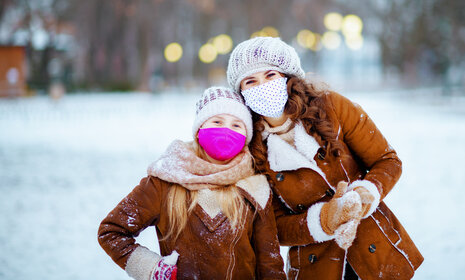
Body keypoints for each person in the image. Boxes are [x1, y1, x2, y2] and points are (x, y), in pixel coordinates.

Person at [227, 37, 424, 280]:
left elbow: (387, 160)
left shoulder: (332, 107)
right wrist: (324, 221)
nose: (262, 85)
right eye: (250, 81)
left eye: (270, 75)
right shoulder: (249, 150)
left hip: (377, 253)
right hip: (316, 268)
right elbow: (272, 227)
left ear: (288, 77)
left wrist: (363, 195)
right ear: (241, 93)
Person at [98, 87, 286, 280]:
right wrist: (151, 268)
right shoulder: (167, 179)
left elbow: (269, 263)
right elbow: (111, 231)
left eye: (236, 125)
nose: (226, 131)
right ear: (199, 130)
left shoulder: (255, 188)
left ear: (246, 137)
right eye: (217, 121)